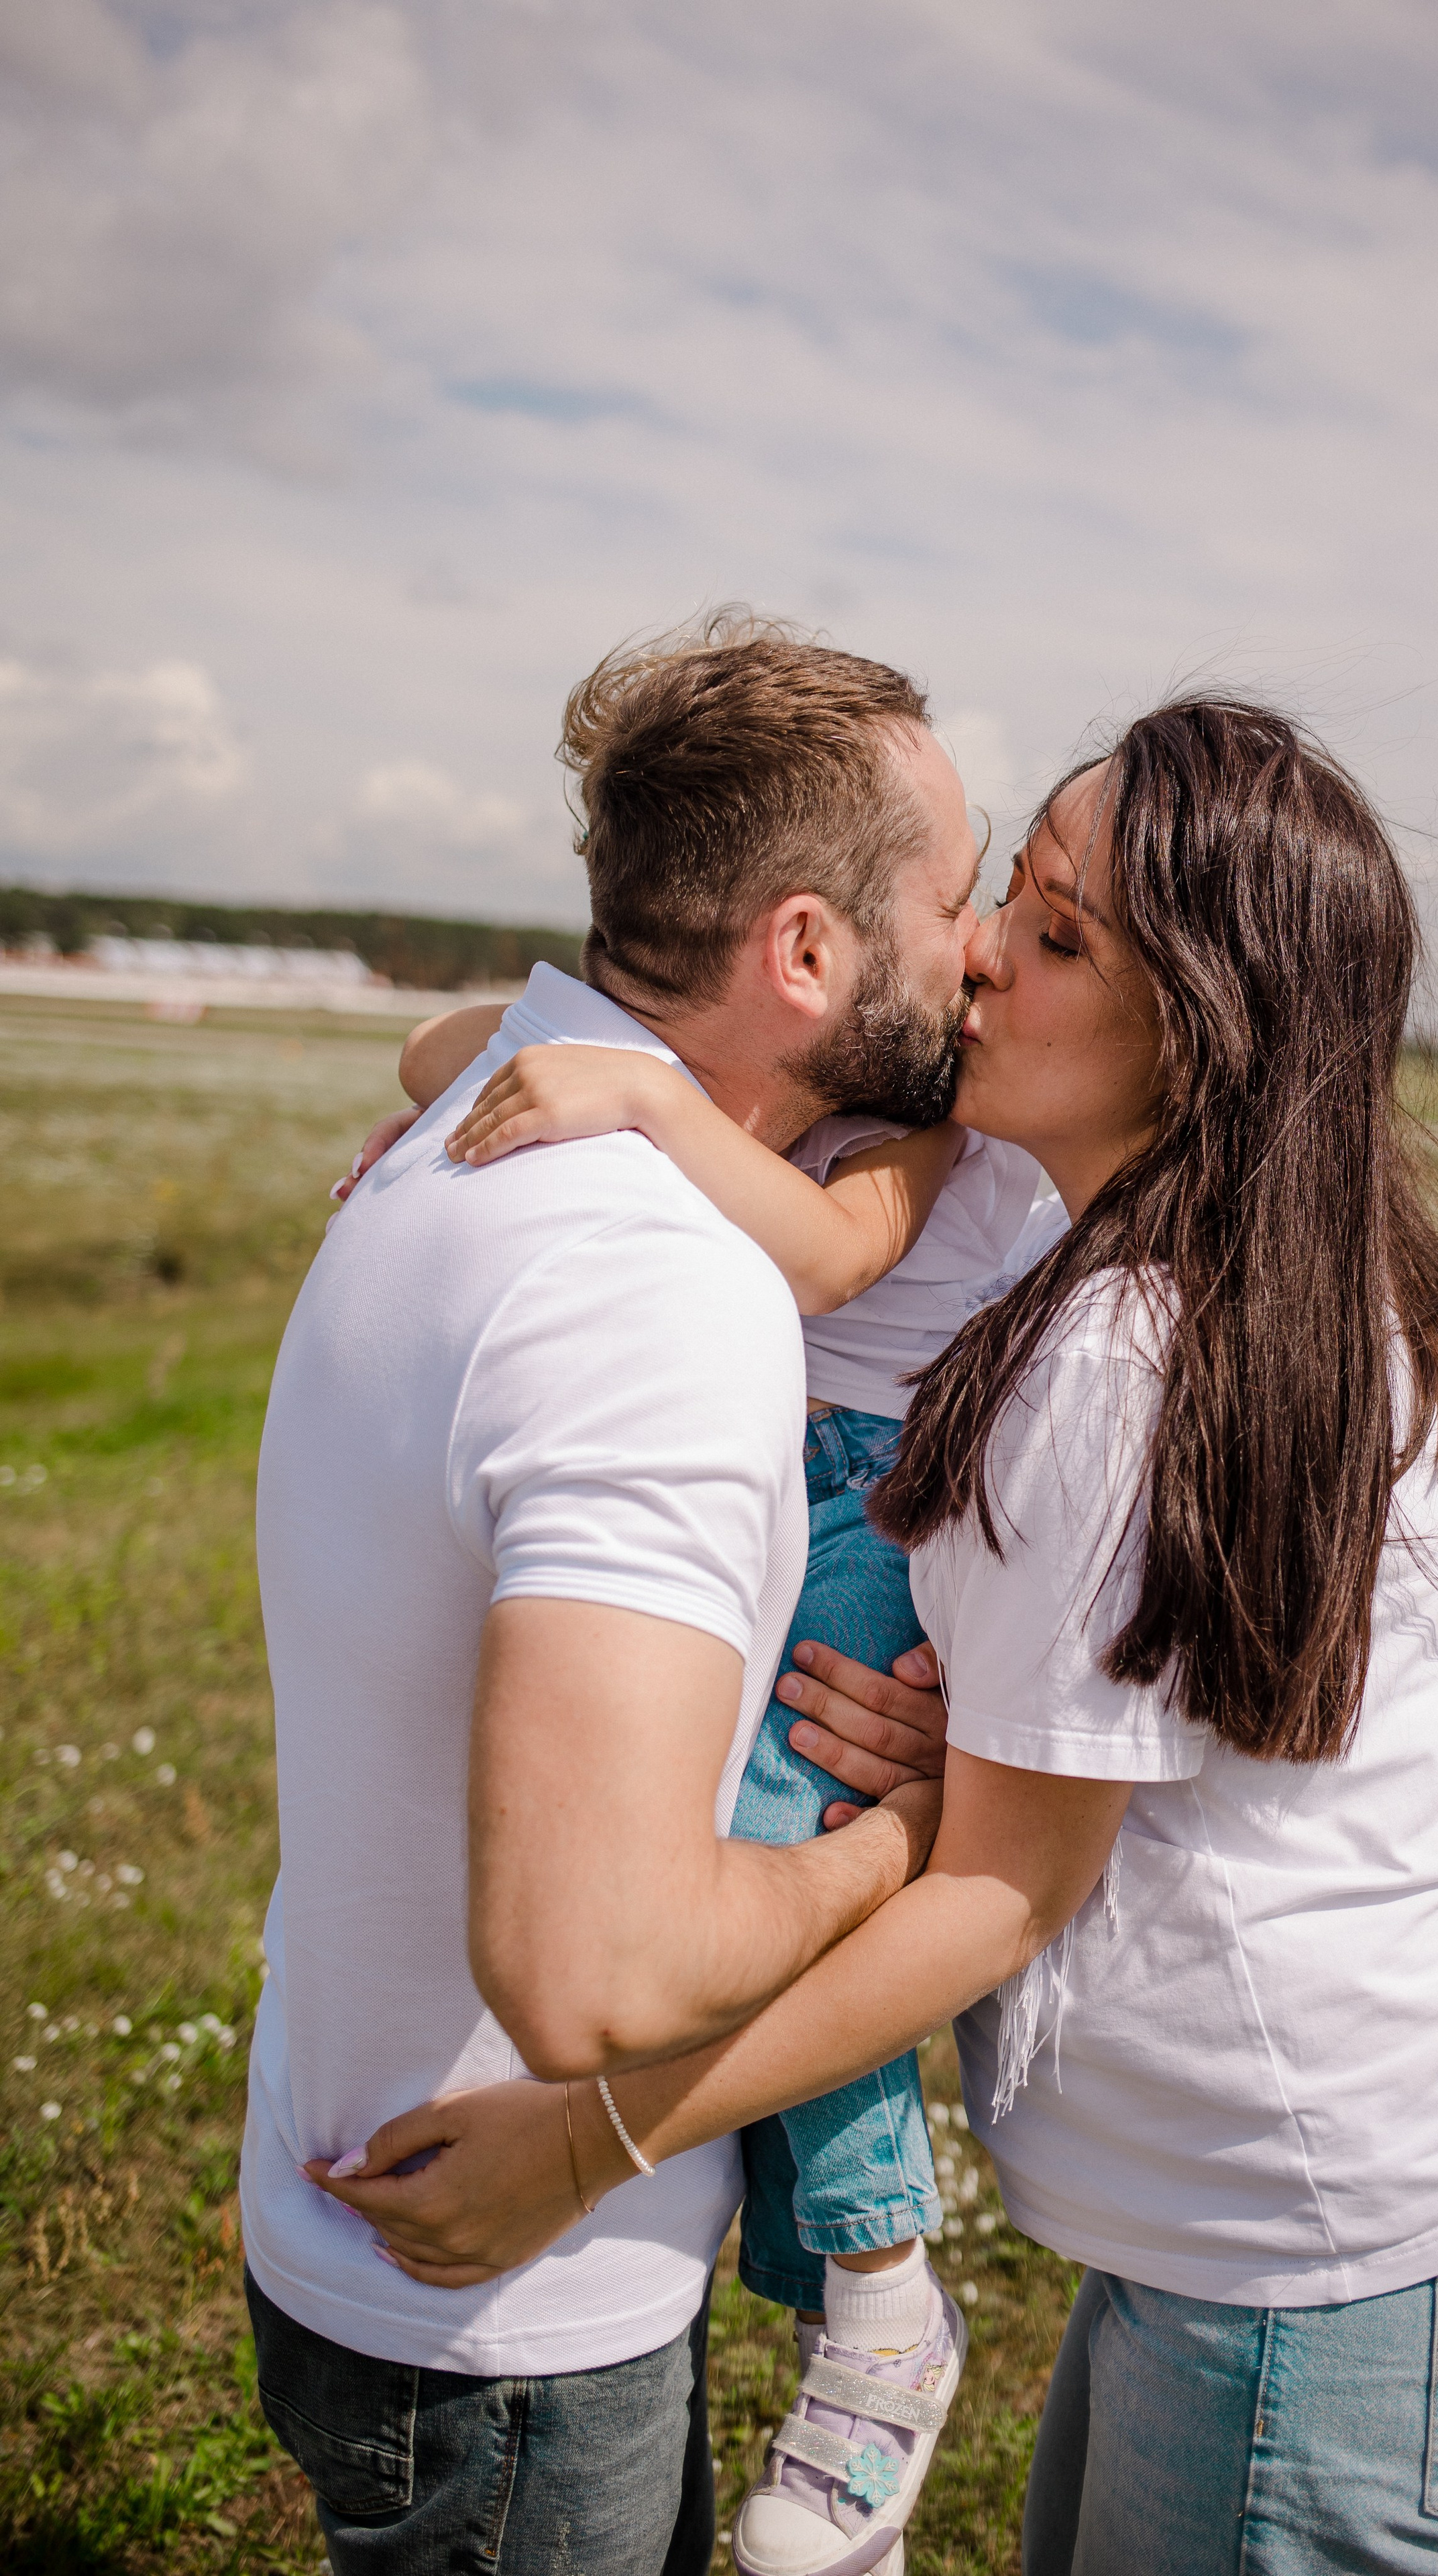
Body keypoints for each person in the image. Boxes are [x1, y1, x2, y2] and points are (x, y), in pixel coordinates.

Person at [314, 698, 1438, 2576]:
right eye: (1015, 886)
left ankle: (874, 2311)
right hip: (1347, 2218)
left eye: (1064, 933)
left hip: (1330, 2275)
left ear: (1206, 1032)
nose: (987, 945)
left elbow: (1006, 1891)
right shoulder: (1261, 1277)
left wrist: (586, 2136)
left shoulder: (1125, 1356)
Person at [240, 612, 992, 2576]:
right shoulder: (653, 1282)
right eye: (953, 894)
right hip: (503, 2312)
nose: (979, 947)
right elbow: (589, 1977)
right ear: (809, 950)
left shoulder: (490, 1128)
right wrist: (900, 1847)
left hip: (355, 2186)